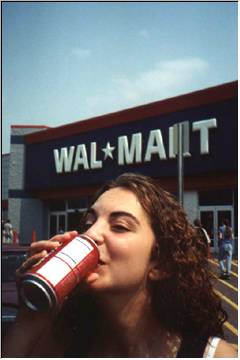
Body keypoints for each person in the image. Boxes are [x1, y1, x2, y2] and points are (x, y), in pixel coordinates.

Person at [2, 173, 237, 357]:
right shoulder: (62, 348)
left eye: (120, 226)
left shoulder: (213, 355)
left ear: (161, 263)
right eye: (89, 222)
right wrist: (29, 321)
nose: (90, 234)